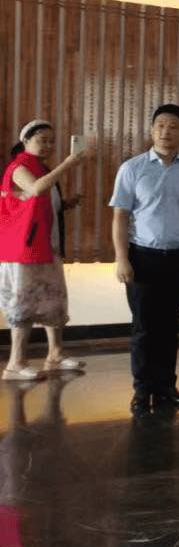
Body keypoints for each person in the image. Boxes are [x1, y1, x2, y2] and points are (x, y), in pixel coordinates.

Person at [110, 105, 179, 416]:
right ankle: (142, 390)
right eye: (160, 125)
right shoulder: (132, 168)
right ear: (152, 129)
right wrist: (121, 259)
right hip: (142, 257)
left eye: (173, 126)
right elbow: (120, 216)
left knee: (169, 327)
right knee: (144, 328)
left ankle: (166, 386)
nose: (166, 131)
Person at [1, 120, 92, 379]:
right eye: (42, 140)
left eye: (52, 141)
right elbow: (36, 189)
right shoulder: (18, 167)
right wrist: (69, 163)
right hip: (24, 249)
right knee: (24, 303)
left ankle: (55, 354)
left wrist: (65, 203)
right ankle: (15, 363)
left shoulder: (41, 168)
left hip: (45, 245)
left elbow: (36, 204)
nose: (49, 145)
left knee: (54, 298)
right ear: (25, 141)